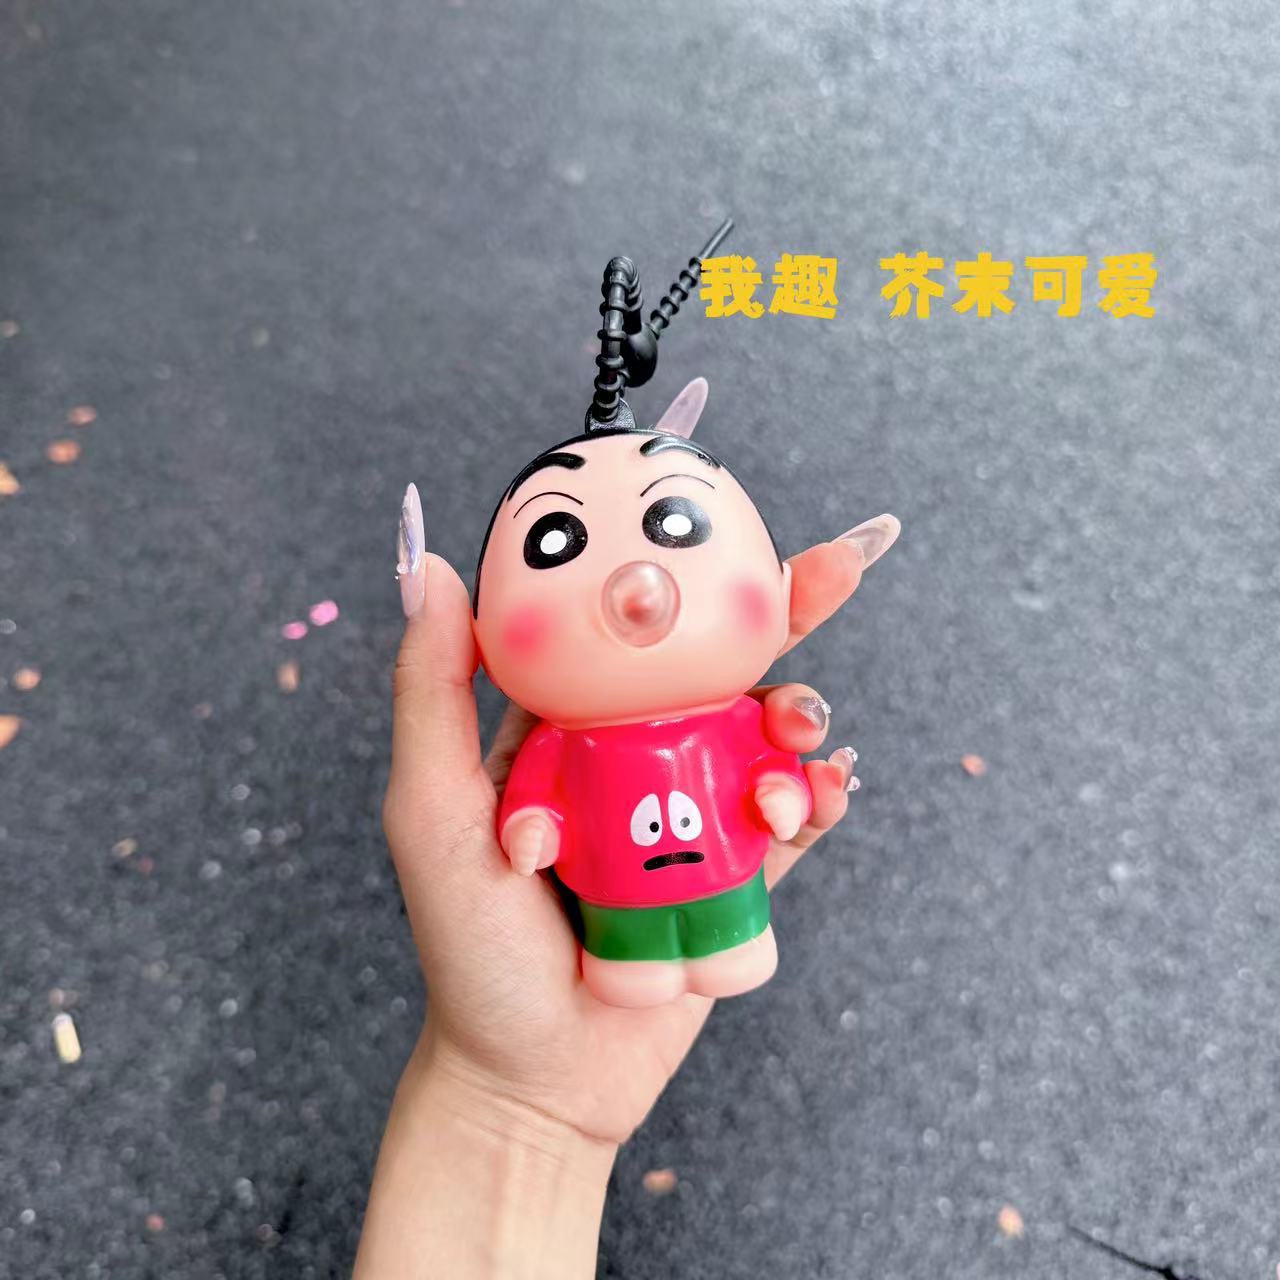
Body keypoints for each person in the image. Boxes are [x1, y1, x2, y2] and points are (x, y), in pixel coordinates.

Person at [353, 491, 896, 1277]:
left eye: (676, 527)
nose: (637, 591)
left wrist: (781, 790)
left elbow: (767, 764)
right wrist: (530, 825)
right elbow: (535, 794)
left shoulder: (731, 720)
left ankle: (732, 942)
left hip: (723, 881)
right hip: (613, 902)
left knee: (729, 930)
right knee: (632, 952)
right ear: (479, 633)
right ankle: (636, 962)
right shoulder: (561, 741)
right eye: (553, 543)